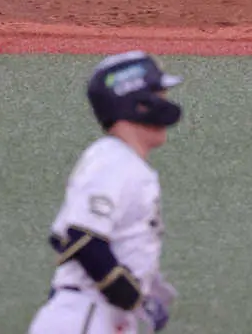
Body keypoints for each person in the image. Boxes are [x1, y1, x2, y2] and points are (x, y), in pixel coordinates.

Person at [28, 51, 183, 334]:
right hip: (86, 316)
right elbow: (83, 239)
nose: (167, 105)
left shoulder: (122, 162)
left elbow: (64, 238)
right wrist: (133, 297)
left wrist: (145, 284)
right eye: (160, 96)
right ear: (139, 104)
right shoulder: (112, 160)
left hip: (99, 315)